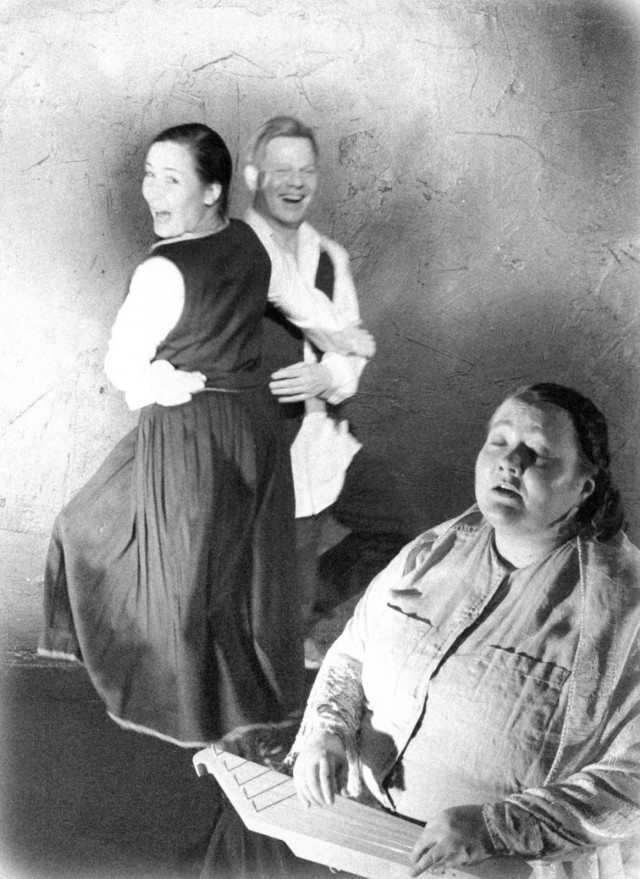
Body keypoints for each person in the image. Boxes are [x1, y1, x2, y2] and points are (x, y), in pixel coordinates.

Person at [38, 123, 374, 749]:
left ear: (213, 190)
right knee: (229, 574)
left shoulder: (162, 270)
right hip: (252, 433)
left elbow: (124, 368)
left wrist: (166, 385)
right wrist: (345, 339)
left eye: (171, 179)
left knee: (180, 574)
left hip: (190, 436)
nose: (153, 191)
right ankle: (242, 708)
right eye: (149, 175)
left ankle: (189, 710)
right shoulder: (250, 239)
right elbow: (303, 305)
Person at [289, 383, 640, 879]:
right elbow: (352, 654)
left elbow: (632, 781)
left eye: (538, 453)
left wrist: (495, 829)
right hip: (365, 845)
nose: (510, 462)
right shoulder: (432, 550)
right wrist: (328, 731)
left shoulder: (624, 609)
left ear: (584, 487)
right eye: (499, 441)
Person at [242, 116, 412, 652]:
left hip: (325, 436)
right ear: (252, 176)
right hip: (261, 444)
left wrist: (326, 375)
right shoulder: (233, 250)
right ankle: (276, 646)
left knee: (399, 529)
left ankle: (304, 609)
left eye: (307, 171)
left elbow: (351, 349)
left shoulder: (330, 257)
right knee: (274, 610)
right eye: (282, 170)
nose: (296, 183)